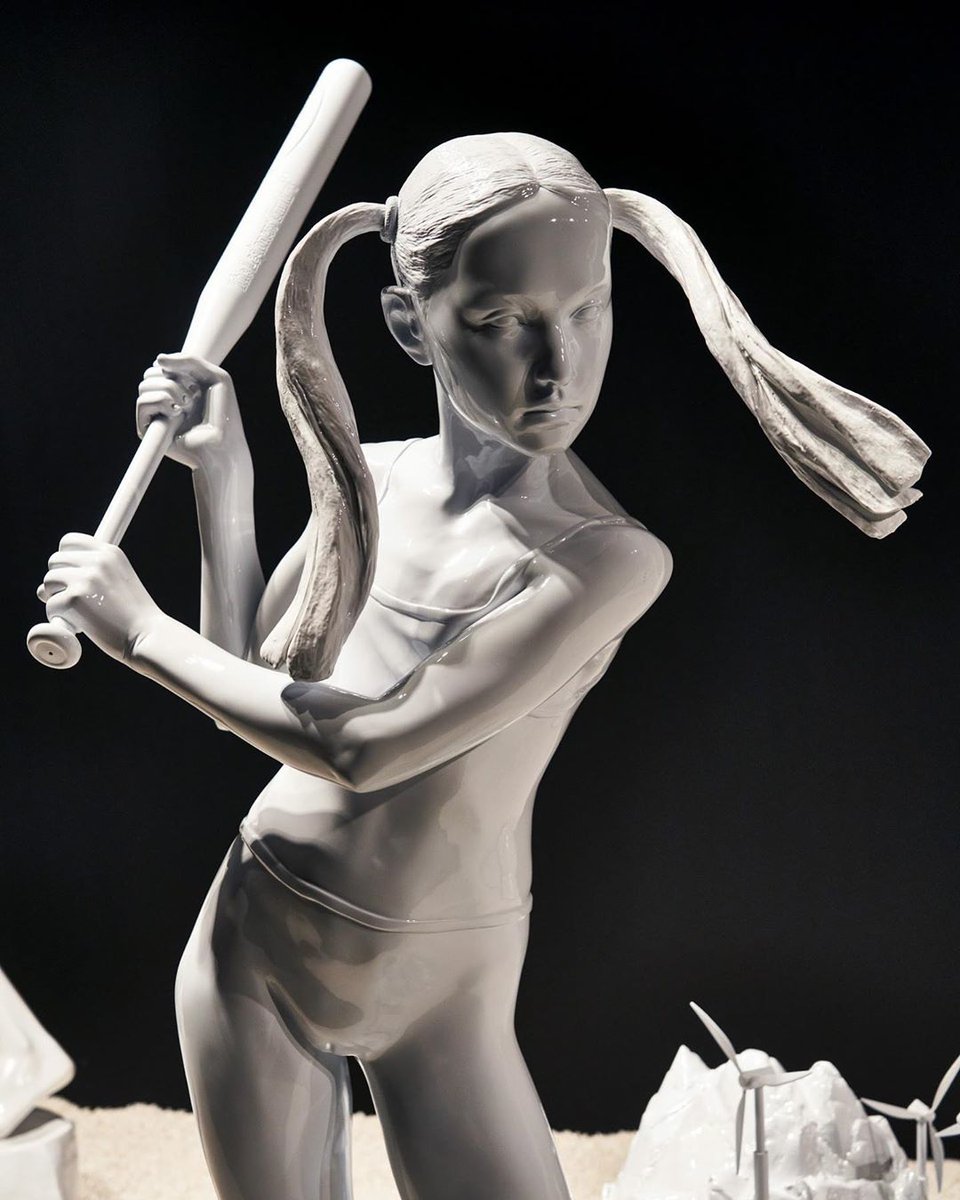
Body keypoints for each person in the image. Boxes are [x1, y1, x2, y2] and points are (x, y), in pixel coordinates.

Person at [38, 134, 928, 1200]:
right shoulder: (371, 481)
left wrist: (138, 633)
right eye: (504, 321)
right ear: (410, 324)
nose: (558, 366)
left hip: (445, 991)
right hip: (255, 942)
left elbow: (365, 747)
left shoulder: (606, 562)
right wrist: (220, 478)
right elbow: (246, 682)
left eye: (587, 309)